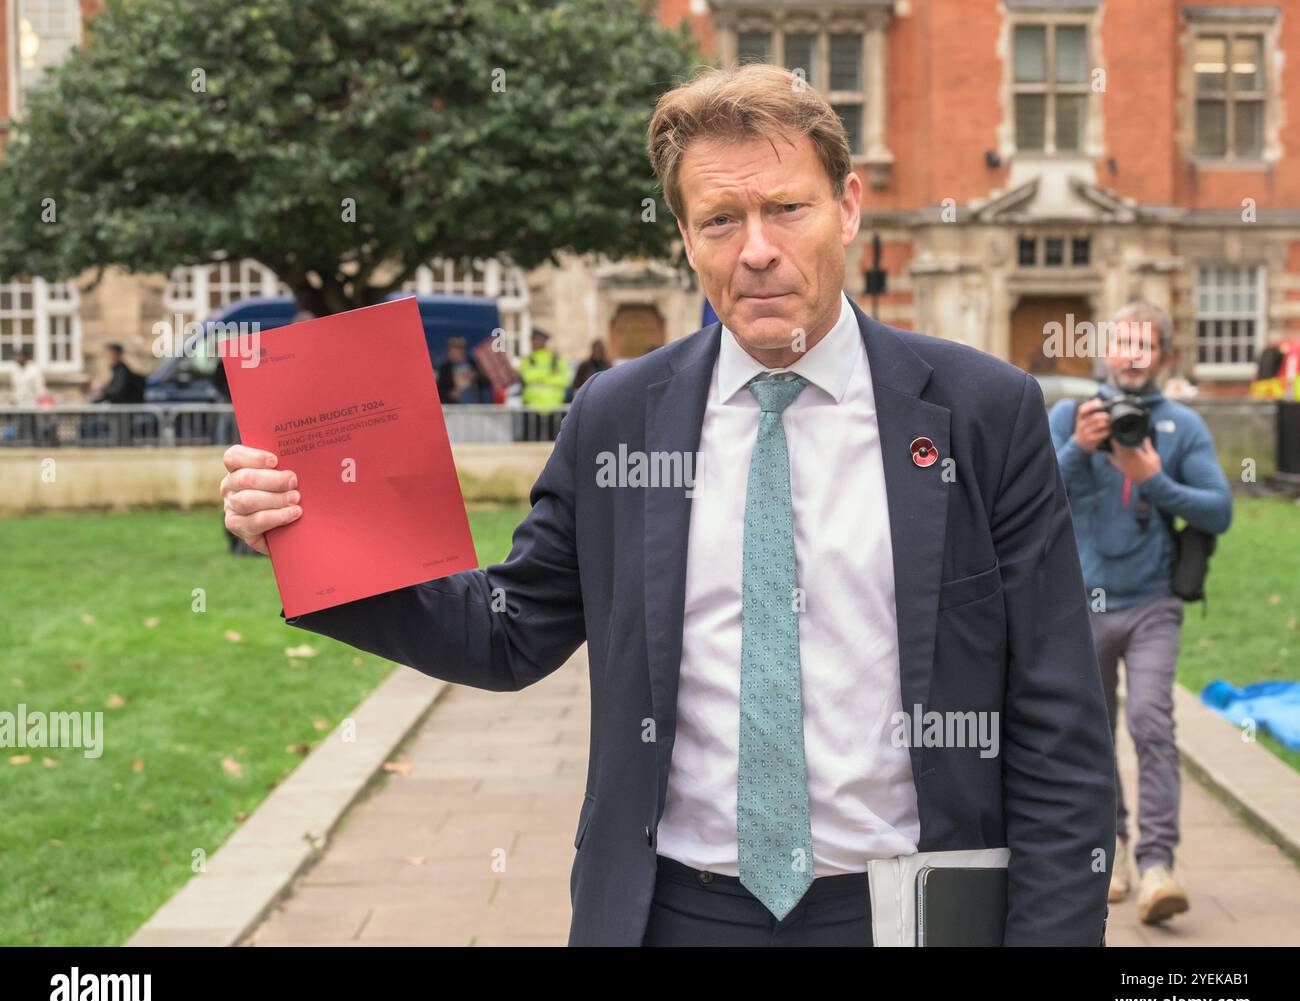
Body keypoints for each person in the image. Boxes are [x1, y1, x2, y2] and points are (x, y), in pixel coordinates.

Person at [221, 63, 1115, 947]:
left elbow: (1058, 718)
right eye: (721, 219)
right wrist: (311, 540)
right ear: (686, 238)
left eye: (786, 208)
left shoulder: (981, 414)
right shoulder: (617, 416)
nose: (756, 249)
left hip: (902, 917)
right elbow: (506, 631)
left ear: (847, 208)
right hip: (674, 916)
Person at [1048, 300, 1232, 925]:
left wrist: (1153, 478)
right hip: (1083, 604)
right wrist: (1078, 448)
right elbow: (1030, 497)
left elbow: (1219, 511)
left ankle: (1158, 865)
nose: (1132, 356)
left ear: (1163, 356)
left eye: (1145, 345)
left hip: (1153, 602)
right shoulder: (1071, 417)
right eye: (1123, 343)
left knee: (1151, 722)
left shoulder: (1182, 425)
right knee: (1093, 734)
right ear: (1105, 351)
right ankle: (1114, 850)